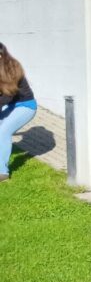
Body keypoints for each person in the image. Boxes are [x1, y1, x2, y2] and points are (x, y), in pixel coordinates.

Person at [0, 42, 38, 182]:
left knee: (3, 131)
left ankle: (2, 172)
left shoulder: (12, 67)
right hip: (10, 104)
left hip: (25, 106)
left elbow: (8, 95)